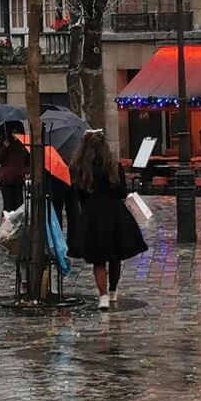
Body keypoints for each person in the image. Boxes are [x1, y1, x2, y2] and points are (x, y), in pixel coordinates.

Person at [68, 130, 146, 311]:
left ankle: (102, 295)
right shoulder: (113, 166)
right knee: (115, 256)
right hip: (115, 213)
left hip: (93, 214)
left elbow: (80, 195)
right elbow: (122, 192)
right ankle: (112, 291)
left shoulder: (81, 167)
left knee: (98, 258)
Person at [0, 128, 30, 220]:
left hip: (19, 179)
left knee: (19, 206)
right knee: (8, 206)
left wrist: (26, 171)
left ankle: (17, 227)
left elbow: (27, 161)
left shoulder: (23, 144)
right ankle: (6, 227)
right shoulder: (4, 143)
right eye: (14, 132)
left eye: (17, 132)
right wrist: (4, 147)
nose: (16, 135)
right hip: (6, 179)